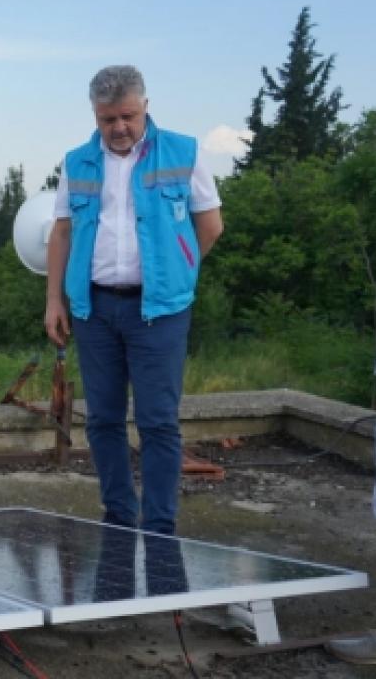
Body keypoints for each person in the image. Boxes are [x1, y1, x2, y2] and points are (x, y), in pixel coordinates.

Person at [45, 65, 224, 536]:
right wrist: (54, 301)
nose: (119, 127)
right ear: (95, 114)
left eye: (128, 116)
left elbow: (210, 226)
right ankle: (119, 517)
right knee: (102, 419)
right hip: (95, 310)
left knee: (158, 421)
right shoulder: (78, 162)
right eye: (108, 119)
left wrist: (176, 269)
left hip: (160, 312)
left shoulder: (183, 152)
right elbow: (61, 232)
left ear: (145, 106)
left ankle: (160, 525)